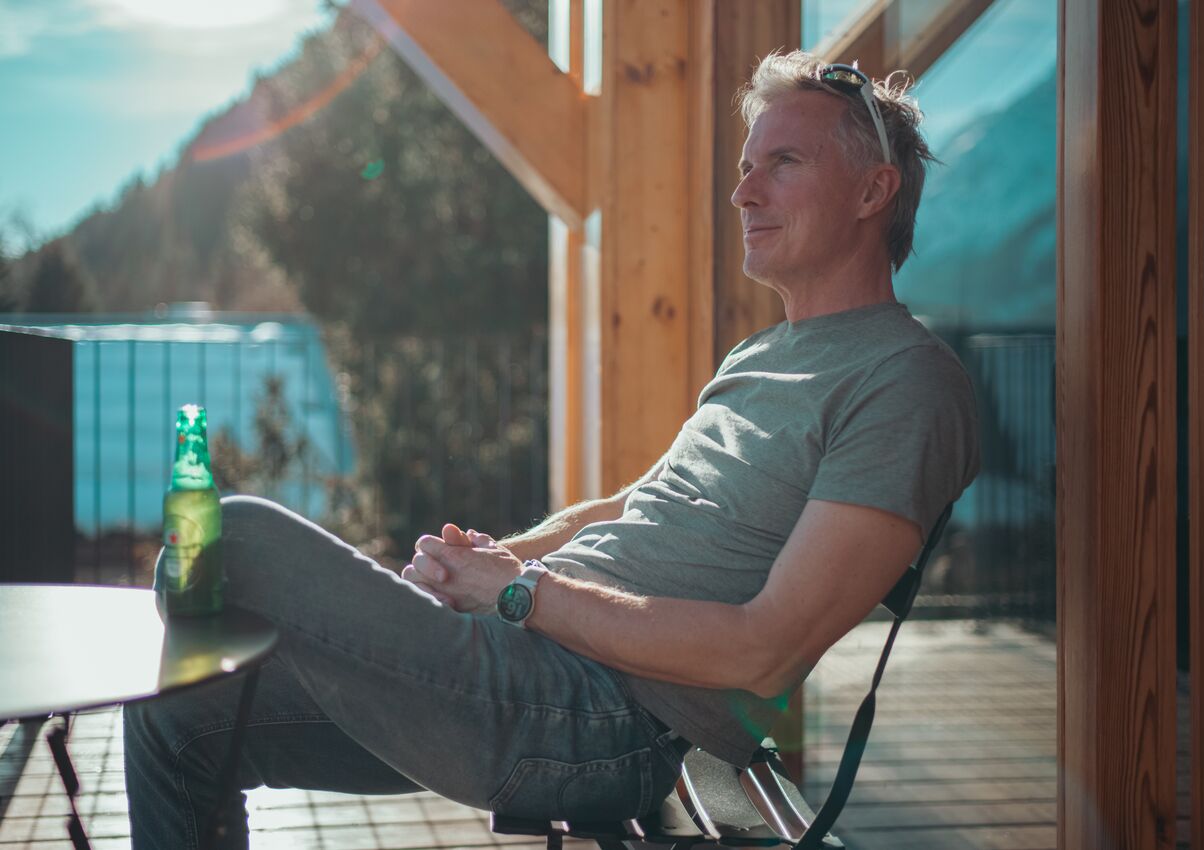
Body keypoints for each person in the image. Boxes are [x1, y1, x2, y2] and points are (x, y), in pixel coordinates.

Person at [123, 49, 980, 849]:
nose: (743, 193)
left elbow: (765, 652)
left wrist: (521, 591)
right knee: (176, 718)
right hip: (532, 664)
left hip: (601, 721)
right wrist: (495, 562)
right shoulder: (761, 355)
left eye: (782, 163)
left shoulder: (904, 383)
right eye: (747, 165)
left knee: (236, 536)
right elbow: (628, 506)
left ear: (873, 191)